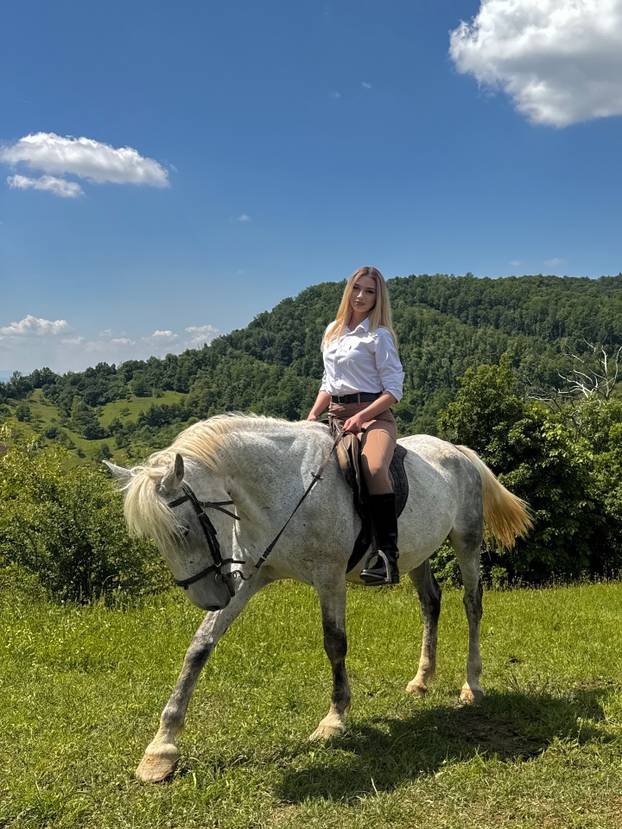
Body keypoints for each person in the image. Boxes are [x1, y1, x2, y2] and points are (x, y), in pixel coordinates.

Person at [307, 266, 405, 585]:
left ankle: (387, 556)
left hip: (374, 416)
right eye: (357, 288)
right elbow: (328, 382)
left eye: (370, 291)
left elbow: (393, 391)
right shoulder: (332, 331)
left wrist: (362, 417)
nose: (361, 296)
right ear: (349, 290)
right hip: (335, 415)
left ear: (378, 298)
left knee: (373, 468)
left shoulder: (379, 336)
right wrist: (312, 415)